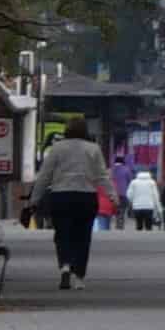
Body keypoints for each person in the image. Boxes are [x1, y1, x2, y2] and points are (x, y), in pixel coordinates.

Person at [32, 122, 109, 289]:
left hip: (61, 196)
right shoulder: (93, 149)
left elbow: (45, 175)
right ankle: (79, 277)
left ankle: (65, 266)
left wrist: (35, 198)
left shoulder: (57, 148)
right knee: (83, 236)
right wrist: (112, 195)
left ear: (67, 131)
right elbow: (102, 175)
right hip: (86, 196)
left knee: (62, 234)